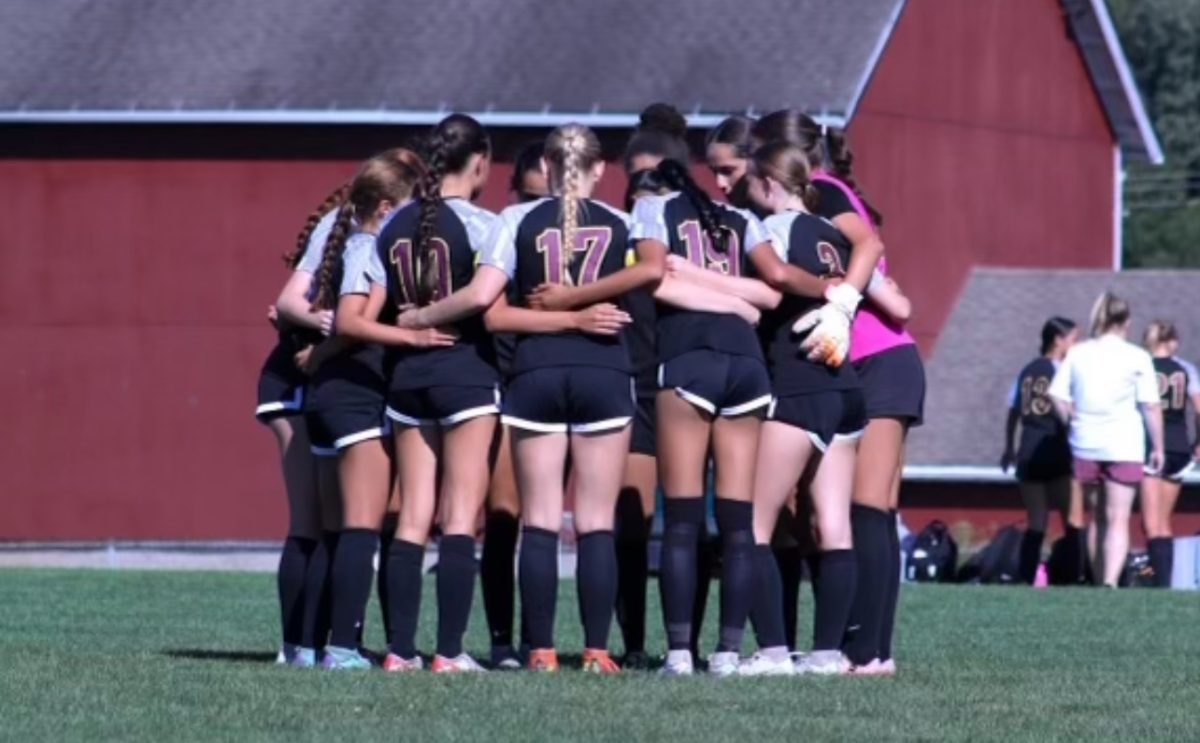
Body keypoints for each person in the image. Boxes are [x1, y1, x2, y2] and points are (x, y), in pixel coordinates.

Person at [539, 112, 780, 677]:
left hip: (678, 370)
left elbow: (655, 277)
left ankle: (677, 651)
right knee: (734, 523)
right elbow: (769, 290)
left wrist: (572, 297)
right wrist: (738, 303)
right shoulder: (741, 218)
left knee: (680, 522)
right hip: (739, 367)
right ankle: (722, 652)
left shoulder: (647, 217)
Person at [463, 124, 649, 672]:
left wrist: (558, 314)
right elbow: (655, 283)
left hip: (534, 372)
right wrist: (582, 316)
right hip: (604, 371)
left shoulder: (513, 220)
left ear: (544, 168)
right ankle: (596, 650)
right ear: (599, 172)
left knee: (540, 519)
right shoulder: (625, 225)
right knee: (596, 521)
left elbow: (492, 314)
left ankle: (540, 649)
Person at [335, 113, 498, 672]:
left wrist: (410, 330)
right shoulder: (483, 224)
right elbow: (487, 302)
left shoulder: (396, 223)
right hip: (466, 376)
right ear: (480, 163)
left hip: (407, 380)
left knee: (410, 519)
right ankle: (449, 653)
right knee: (458, 516)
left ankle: (400, 651)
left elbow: (365, 311)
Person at [753, 110, 911, 673]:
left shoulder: (818, 193)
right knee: (848, 514)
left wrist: (841, 302)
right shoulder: (817, 205)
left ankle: (865, 651)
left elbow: (869, 246)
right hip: (851, 364)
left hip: (868, 357)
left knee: (866, 509)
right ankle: (858, 649)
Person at [733, 141, 871, 675]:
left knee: (753, 524)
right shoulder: (834, 233)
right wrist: (841, 293)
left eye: (749, 180)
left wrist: (823, 291)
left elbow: (779, 277)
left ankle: (771, 652)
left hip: (799, 385)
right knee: (834, 527)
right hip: (845, 388)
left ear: (770, 182)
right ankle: (829, 654)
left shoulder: (773, 227)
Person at [293, 151, 425, 669]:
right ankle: (343, 649)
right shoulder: (371, 246)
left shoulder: (346, 240)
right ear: (388, 206)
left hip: (328, 394)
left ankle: (311, 644)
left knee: (333, 529)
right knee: (362, 528)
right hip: (356, 398)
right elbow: (351, 322)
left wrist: (318, 354)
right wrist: (412, 335)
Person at [263, 186, 345, 667]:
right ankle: (296, 645)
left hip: (321, 387)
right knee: (309, 522)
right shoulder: (343, 236)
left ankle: (324, 643)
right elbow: (290, 309)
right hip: (294, 384)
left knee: (332, 524)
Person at [482, 140, 550, 669]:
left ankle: (544, 640)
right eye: (526, 195)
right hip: (512, 380)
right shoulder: (503, 226)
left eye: (542, 196)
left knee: (560, 523)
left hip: (570, 378)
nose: (533, 207)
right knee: (506, 516)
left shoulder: (590, 228)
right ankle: (506, 639)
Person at [1048, 292, 1164, 588]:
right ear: (1126, 321)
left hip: (1086, 443)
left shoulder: (1079, 353)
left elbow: (1056, 394)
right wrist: (1158, 447)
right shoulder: (1137, 356)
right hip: (1124, 444)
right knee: (1118, 518)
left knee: (1097, 518)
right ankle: (1110, 582)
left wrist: (1071, 421)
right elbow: (1150, 405)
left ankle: (1099, 579)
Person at [1001, 317, 1082, 585]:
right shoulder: (1064, 370)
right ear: (1058, 340)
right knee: (1072, 519)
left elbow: (1013, 411)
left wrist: (1008, 447)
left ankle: (1026, 577)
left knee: (1037, 522)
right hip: (1056, 449)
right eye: (1074, 339)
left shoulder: (1027, 370)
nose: (1077, 345)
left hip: (1028, 450)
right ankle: (1071, 577)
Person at [1141, 321, 1199, 586]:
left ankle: (1157, 581)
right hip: (1179, 447)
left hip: (1152, 447)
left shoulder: (1142, 367)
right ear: (1172, 341)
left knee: (1151, 525)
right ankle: (1164, 583)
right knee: (1164, 523)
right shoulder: (1186, 369)